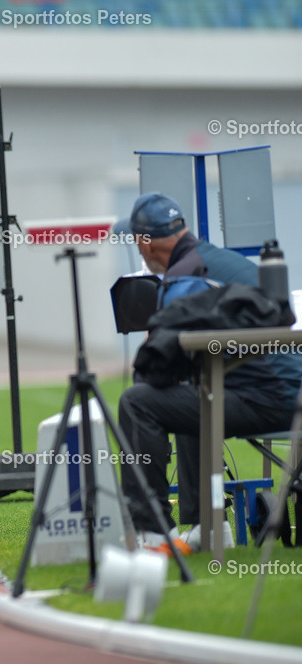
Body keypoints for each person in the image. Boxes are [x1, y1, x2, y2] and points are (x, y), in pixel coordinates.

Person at [112, 192, 302, 553]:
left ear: (145, 243)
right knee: (190, 397)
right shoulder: (221, 260)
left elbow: (159, 372)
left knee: (139, 403)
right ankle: (210, 526)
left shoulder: (185, 278)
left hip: (268, 400)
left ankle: (151, 532)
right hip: (290, 393)